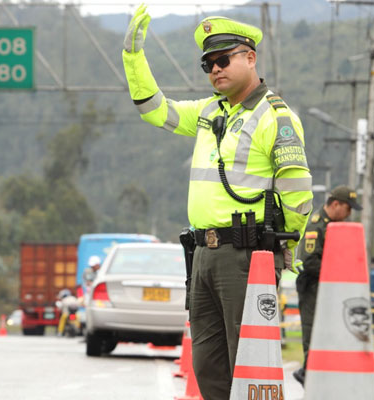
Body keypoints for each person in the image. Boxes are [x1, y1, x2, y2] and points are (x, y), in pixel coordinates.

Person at [122, 7, 314, 399]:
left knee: (249, 362)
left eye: (223, 59)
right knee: (207, 365)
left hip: (247, 254)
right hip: (205, 254)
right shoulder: (211, 112)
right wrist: (133, 57)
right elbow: (155, 111)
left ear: (250, 57)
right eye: (208, 63)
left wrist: (286, 245)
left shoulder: (274, 117)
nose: (215, 70)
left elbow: (297, 189)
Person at [293, 185, 362, 386]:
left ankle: (316, 373)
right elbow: (309, 260)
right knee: (313, 330)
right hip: (313, 286)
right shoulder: (317, 225)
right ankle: (309, 373)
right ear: (335, 204)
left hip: (326, 288)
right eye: (348, 208)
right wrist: (335, 275)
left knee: (328, 333)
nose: (349, 214)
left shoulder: (333, 225)